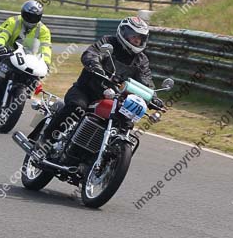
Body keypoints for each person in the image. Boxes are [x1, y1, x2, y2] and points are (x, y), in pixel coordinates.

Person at [35, 16, 163, 152]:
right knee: (77, 107)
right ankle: (47, 140)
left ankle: (106, 158)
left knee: (125, 122)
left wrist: (153, 97)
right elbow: (91, 54)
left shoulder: (141, 60)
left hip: (116, 100)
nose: (137, 41)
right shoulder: (108, 42)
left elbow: (146, 80)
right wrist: (96, 66)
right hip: (87, 90)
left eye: (140, 38)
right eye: (134, 37)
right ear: (124, 33)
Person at [0, 0, 52, 90]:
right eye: (28, 16)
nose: (31, 20)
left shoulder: (44, 30)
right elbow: (3, 33)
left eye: (34, 17)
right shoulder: (13, 21)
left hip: (27, 57)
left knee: (36, 76)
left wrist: (46, 62)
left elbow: (46, 47)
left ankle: (25, 92)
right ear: (22, 13)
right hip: (6, 51)